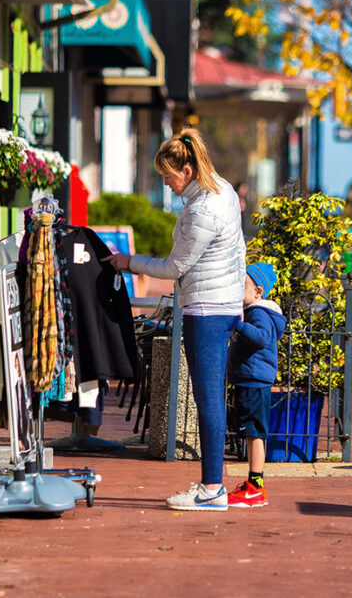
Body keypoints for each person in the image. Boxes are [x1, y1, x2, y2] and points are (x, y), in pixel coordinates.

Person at [104, 128, 245, 511]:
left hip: (206, 309)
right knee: (211, 397)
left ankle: (212, 488)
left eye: (168, 176)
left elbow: (174, 265)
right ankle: (211, 484)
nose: (166, 184)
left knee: (208, 400)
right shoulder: (223, 191)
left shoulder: (203, 209)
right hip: (224, 304)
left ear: (186, 168)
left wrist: (129, 262)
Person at [226, 262, 286, 508]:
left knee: (254, 432)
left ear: (258, 292)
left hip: (254, 380)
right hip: (250, 378)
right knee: (251, 432)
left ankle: (256, 487)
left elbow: (261, 338)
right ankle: (253, 484)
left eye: (240, 285)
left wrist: (237, 324)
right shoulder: (256, 312)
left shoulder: (258, 312)